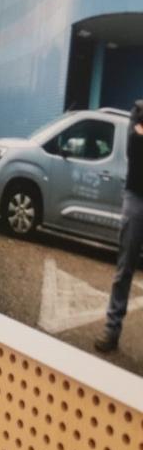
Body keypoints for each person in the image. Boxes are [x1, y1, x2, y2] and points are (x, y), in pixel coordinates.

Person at [95, 100, 143, 353]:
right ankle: (112, 330)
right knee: (124, 269)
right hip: (136, 198)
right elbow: (136, 147)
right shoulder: (138, 109)